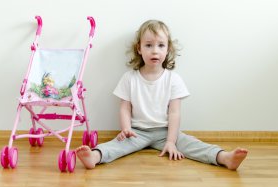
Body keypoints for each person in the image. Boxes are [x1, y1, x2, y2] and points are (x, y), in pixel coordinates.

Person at [76, 20, 248, 170]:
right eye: (149, 45)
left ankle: (225, 158)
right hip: (137, 132)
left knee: (192, 144)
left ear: (168, 49)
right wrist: (126, 129)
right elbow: (124, 107)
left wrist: (171, 141)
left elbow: (174, 112)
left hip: (166, 132)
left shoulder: (173, 79)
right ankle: (94, 157)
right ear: (139, 48)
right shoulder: (129, 78)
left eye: (161, 45)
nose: (155, 51)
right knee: (115, 146)